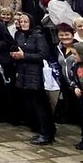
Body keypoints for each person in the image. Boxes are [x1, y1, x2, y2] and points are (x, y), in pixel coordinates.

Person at [12, 12, 55, 145]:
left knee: (40, 104)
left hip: (36, 74)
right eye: (21, 21)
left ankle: (47, 133)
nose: (23, 24)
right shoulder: (18, 35)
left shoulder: (38, 36)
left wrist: (24, 56)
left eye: (26, 21)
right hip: (23, 73)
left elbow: (43, 54)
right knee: (31, 104)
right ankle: (39, 129)